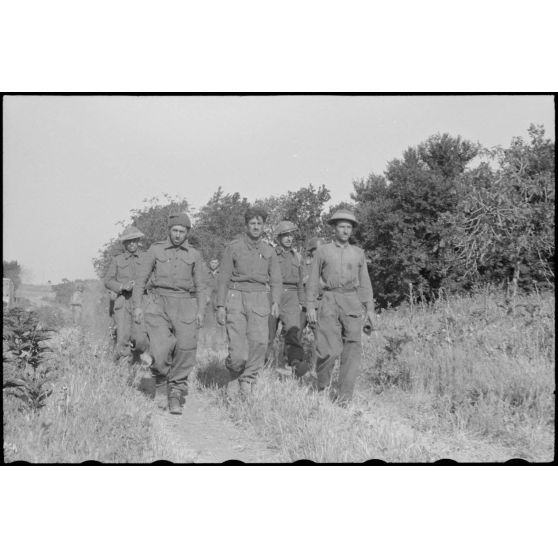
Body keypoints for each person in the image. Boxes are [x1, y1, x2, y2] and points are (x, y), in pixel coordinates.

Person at [132, 213, 206, 414]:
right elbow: (140, 280)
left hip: (185, 303)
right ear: (169, 231)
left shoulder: (194, 255)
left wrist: (201, 310)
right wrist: (138, 306)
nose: (178, 235)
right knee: (160, 348)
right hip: (157, 303)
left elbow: (201, 286)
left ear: (187, 233)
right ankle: (161, 385)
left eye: (182, 231)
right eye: (175, 230)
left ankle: (176, 391)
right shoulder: (155, 250)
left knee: (185, 347)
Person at [306, 210, 375, 404]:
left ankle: (345, 398)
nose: (345, 231)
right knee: (328, 349)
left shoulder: (358, 253)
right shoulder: (323, 251)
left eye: (348, 227)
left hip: (351, 301)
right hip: (328, 300)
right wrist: (310, 305)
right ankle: (322, 386)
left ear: (352, 230)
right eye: (341, 227)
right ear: (334, 228)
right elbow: (312, 280)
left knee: (352, 350)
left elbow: (365, 282)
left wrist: (369, 309)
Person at [216, 207, 281, 396]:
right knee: (237, 351)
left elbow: (276, 279)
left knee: (260, 342)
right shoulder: (234, 247)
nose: (255, 227)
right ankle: (234, 374)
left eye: (259, 223)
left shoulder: (269, 250)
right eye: (252, 223)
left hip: (260, 298)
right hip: (236, 297)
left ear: (264, 226)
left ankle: (247, 378)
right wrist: (221, 305)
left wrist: (275, 301)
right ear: (246, 226)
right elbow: (224, 278)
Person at [267, 220, 308, 377]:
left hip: (292, 297)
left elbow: (300, 283)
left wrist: (301, 302)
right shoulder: (271, 255)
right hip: (273, 293)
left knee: (293, 331)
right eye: (285, 236)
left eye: (291, 235)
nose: (289, 239)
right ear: (278, 238)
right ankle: (260, 367)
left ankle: (295, 363)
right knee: (268, 334)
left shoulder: (297, 257)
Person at [104, 226, 150, 363]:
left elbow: (154, 278)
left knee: (141, 338)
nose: (132, 244)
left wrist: (141, 285)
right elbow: (108, 280)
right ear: (124, 244)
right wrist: (122, 286)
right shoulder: (117, 260)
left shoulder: (147, 258)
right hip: (123, 302)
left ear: (138, 241)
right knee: (123, 336)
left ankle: (136, 358)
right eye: (128, 241)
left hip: (141, 302)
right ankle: (123, 368)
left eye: (134, 241)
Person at [201, 257, 225, 348]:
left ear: (218, 263)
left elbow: (224, 285)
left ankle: (221, 343)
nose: (213, 264)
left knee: (221, 321)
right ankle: (208, 343)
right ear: (209, 263)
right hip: (209, 300)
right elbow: (202, 285)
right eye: (212, 262)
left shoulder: (222, 273)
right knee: (208, 322)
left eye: (215, 262)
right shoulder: (205, 273)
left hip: (219, 299)